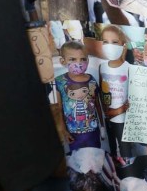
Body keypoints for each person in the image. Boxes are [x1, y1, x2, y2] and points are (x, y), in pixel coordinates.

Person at [55, 41, 105, 153]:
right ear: (63, 61)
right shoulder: (59, 82)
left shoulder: (91, 80)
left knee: (95, 159)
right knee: (78, 161)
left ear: (88, 60)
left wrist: (102, 127)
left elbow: (97, 104)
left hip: (93, 131)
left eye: (83, 59)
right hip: (73, 133)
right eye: (72, 59)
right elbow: (59, 108)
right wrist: (63, 130)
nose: (79, 63)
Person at [98, 25, 131, 164]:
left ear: (123, 45)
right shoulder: (102, 66)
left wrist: (118, 110)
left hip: (122, 118)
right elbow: (101, 92)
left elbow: (132, 97)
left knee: (125, 148)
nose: (109, 45)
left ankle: (127, 167)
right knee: (111, 147)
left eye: (114, 42)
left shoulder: (128, 67)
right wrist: (106, 112)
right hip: (107, 117)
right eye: (105, 41)